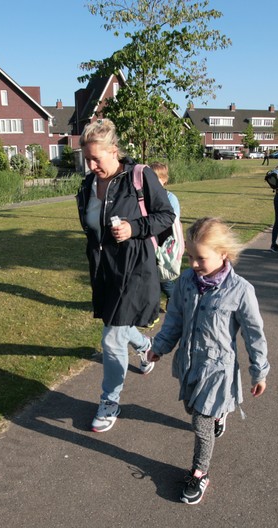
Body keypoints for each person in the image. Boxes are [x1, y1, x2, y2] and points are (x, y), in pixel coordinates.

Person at [146, 217, 269, 505]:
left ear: (223, 254)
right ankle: (219, 413)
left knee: (200, 423)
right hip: (190, 363)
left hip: (217, 370)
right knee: (192, 409)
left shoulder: (240, 290)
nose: (193, 264)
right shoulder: (185, 282)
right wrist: (160, 347)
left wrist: (259, 371)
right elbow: (175, 319)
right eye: (189, 256)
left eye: (200, 258)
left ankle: (200, 473)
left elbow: (254, 335)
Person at [75, 118, 176, 432]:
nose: (92, 166)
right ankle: (144, 346)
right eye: (87, 159)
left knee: (112, 337)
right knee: (115, 324)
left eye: (97, 158)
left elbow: (166, 215)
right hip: (104, 271)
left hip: (134, 270)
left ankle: (110, 401)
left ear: (114, 151)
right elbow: (92, 230)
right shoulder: (88, 185)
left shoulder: (139, 176)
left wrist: (134, 228)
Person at [149, 162, 184, 305]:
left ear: (164, 180)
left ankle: (174, 298)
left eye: (156, 179)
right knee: (151, 275)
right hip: (151, 239)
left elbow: (173, 221)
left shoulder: (170, 198)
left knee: (164, 276)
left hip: (165, 242)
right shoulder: (145, 197)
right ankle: (152, 305)